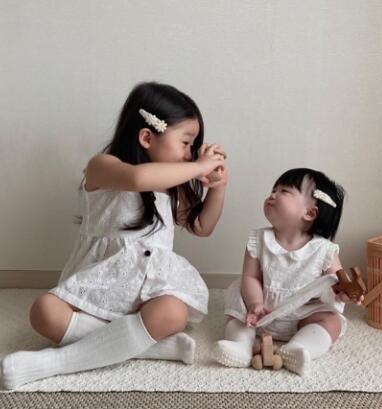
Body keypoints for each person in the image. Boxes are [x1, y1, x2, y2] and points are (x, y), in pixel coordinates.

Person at [1, 82, 227, 389]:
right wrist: (198, 167)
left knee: (173, 313)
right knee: (44, 313)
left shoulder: (174, 186)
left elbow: (202, 226)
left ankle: (54, 363)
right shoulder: (102, 166)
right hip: (99, 283)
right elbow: (138, 179)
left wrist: (218, 187)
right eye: (187, 143)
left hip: (148, 291)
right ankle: (147, 347)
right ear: (146, 137)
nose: (190, 153)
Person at [211, 168, 362, 375]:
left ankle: (300, 348)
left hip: (303, 315)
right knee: (237, 305)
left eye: (284, 191)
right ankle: (241, 345)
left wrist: (345, 294)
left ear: (310, 213)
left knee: (331, 321)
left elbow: (336, 284)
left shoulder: (324, 250)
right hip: (260, 312)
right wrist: (255, 304)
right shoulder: (258, 239)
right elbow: (250, 277)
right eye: (273, 190)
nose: (273, 195)